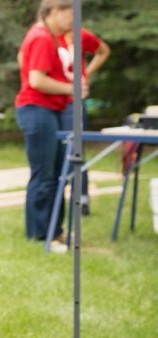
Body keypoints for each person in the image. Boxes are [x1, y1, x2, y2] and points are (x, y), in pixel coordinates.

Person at [14, 0, 83, 252]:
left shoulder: (47, 36)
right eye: (70, 14)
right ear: (55, 10)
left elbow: (22, 59)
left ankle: (55, 231)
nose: (73, 21)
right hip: (37, 110)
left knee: (54, 175)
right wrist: (71, 88)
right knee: (44, 175)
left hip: (46, 110)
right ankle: (41, 236)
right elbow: (36, 79)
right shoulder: (42, 37)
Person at [58, 24, 110, 215]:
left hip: (74, 101)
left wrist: (85, 74)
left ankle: (81, 199)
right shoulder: (48, 36)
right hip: (52, 100)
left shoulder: (81, 34)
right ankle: (56, 200)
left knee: (75, 150)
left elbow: (103, 50)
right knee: (60, 151)